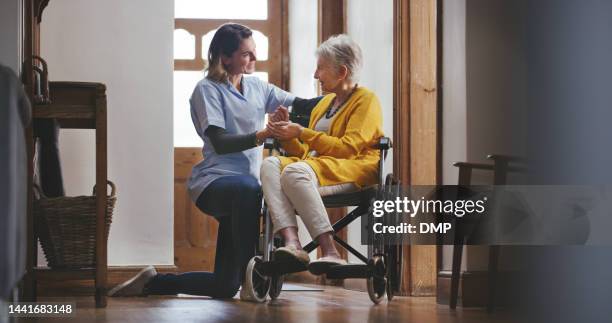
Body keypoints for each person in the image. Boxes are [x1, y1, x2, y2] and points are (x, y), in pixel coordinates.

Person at [108, 23, 316, 299]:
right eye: (246, 54)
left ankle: (154, 283)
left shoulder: (257, 86)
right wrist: (263, 134)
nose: (254, 59)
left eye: (254, 53)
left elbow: (301, 105)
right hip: (213, 184)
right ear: (225, 57)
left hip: (244, 194)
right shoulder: (206, 90)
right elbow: (220, 141)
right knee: (248, 190)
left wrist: (342, 98)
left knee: (225, 286)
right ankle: (256, 273)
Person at [260, 34, 384, 275]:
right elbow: (307, 152)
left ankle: (330, 251)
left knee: (295, 172)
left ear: (342, 72)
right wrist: (287, 133)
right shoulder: (324, 103)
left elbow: (348, 147)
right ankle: (293, 244)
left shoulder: (366, 101)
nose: (316, 75)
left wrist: (302, 131)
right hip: (316, 168)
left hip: (353, 169)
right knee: (271, 164)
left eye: (321, 68)